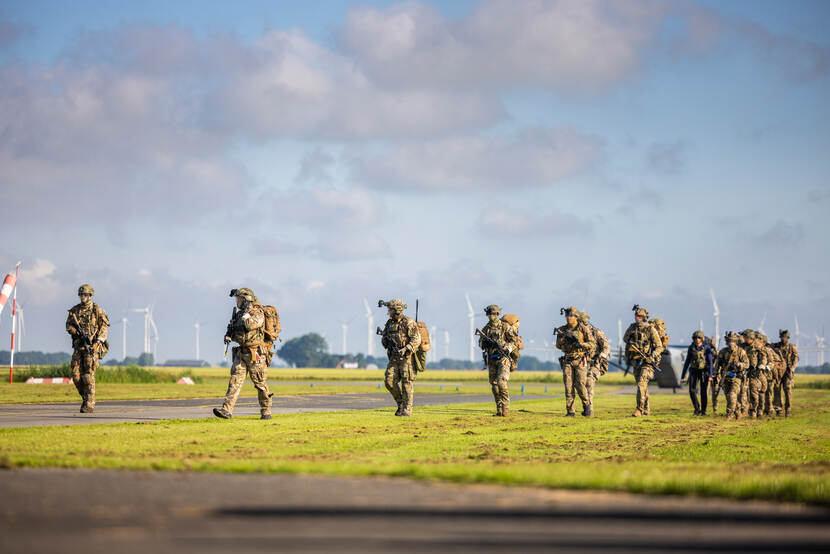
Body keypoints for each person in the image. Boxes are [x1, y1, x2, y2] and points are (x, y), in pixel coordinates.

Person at [214, 288, 272, 420]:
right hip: (241, 352)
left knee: (260, 383)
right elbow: (239, 333)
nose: (237, 301)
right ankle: (226, 410)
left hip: (255, 353)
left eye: (239, 299)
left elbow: (251, 326)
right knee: (234, 381)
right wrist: (229, 336)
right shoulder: (239, 314)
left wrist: (246, 315)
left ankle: (266, 410)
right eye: (237, 298)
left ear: (247, 300)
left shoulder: (257, 313)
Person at [65, 284, 110, 413]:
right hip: (79, 346)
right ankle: (85, 397)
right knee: (76, 375)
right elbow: (68, 325)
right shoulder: (75, 310)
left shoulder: (97, 310)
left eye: (85, 295)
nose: (82, 297)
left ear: (90, 295)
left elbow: (104, 327)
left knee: (88, 375)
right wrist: (74, 331)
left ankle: (89, 403)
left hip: (92, 347)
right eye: (81, 295)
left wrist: (98, 342)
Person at [380, 299, 421, 416]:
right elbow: (384, 342)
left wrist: (406, 348)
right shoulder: (389, 323)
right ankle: (400, 404)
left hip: (407, 358)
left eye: (390, 310)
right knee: (389, 381)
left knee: (406, 383)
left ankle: (407, 409)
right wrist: (385, 340)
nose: (389, 312)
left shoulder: (409, 322)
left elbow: (416, 339)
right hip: (393, 358)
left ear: (397, 310)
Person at [555, 307, 596, 417]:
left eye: (571, 316)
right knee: (568, 387)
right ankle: (570, 411)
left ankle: (587, 405)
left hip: (580, 360)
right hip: (568, 360)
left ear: (576, 317)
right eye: (567, 316)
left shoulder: (583, 329)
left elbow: (592, 344)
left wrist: (581, 344)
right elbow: (558, 346)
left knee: (580, 385)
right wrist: (562, 339)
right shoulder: (562, 330)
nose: (568, 318)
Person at [623, 305, 664, 417]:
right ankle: (647, 409)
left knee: (641, 384)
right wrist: (631, 335)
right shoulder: (632, 328)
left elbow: (659, 346)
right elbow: (625, 339)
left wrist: (652, 355)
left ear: (644, 317)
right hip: (636, 361)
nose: (638, 318)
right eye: (636, 316)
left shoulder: (650, 329)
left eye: (640, 317)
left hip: (648, 362)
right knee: (642, 387)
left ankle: (639, 409)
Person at [478, 305, 517, 416]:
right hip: (492, 359)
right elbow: (480, 344)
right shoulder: (486, 329)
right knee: (494, 386)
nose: (491, 316)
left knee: (501, 383)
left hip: (504, 358)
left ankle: (506, 408)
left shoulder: (505, 326)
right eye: (489, 314)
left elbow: (514, 342)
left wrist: (506, 348)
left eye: (494, 314)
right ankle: (499, 408)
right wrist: (485, 343)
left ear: (497, 314)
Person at [715, 332, 750, 419]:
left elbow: (747, 364)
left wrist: (740, 364)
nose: (731, 343)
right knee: (729, 397)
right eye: (729, 341)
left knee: (732, 394)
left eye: (733, 341)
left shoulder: (741, 351)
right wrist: (716, 374)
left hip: (737, 377)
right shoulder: (723, 352)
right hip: (725, 377)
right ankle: (738, 412)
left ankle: (729, 414)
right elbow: (717, 364)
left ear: (736, 341)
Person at [579, 311, 609, 409]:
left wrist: (603, 355)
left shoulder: (596, 332)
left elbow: (606, 346)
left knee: (589, 380)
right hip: (582, 363)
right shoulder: (578, 334)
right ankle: (585, 405)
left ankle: (589, 407)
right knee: (579, 384)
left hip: (595, 362)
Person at [681, 330, 715, 415]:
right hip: (693, 371)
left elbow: (710, 362)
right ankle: (697, 409)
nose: (697, 339)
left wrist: (710, 375)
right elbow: (687, 362)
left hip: (704, 372)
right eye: (695, 338)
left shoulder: (707, 348)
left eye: (699, 337)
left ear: (702, 339)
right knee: (692, 391)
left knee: (703, 392)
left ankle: (703, 411)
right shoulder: (691, 348)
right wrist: (683, 376)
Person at [773, 329, 799, 417]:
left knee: (788, 391)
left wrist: (792, 369)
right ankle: (778, 409)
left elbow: (795, 359)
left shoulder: (792, 347)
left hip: (788, 372)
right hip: (778, 372)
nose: (783, 339)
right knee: (776, 391)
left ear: (788, 338)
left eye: (784, 337)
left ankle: (788, 410)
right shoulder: (776, 346)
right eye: (782, 337)